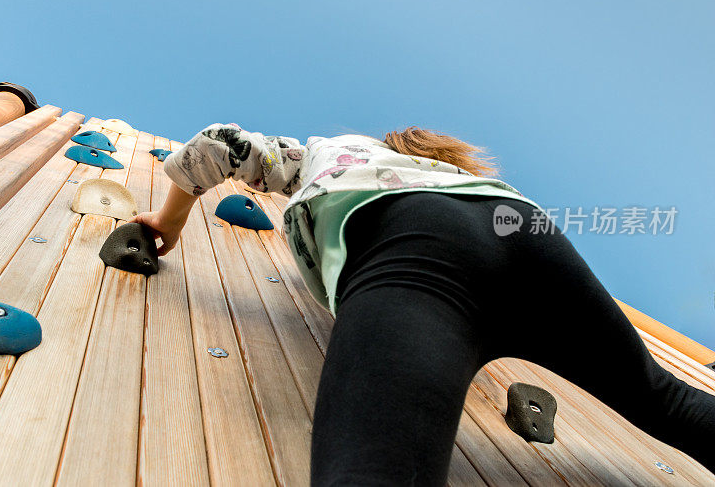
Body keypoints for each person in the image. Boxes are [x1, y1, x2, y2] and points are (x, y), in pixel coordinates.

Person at [130, 123, 715, 485]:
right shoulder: (450, 171)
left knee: (376, 471)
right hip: (527, 233)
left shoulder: (332, 154)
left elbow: (219, 145)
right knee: (664, 399)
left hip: (421, 242)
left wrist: (167, 220)